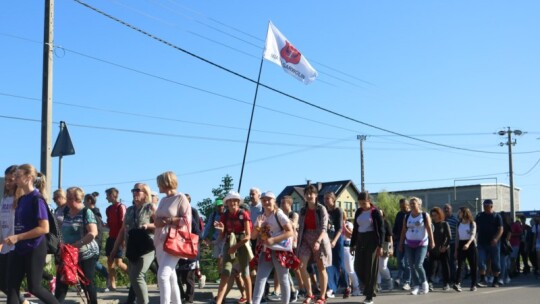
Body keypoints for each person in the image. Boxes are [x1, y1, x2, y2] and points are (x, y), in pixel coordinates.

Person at [3, 164, 59, 304]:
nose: (15, 178)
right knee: (12, 286)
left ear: (29, 177)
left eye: (18, 175)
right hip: (19, 248)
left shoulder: (37, 199)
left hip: (35, 247)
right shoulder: (22, 199)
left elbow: (44, 228)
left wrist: (17, 237)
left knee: (34, 287)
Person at [110, 183, 156, 304]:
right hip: (132, 247)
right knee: (133, 277)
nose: (134, 192)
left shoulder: (150, 207)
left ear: (145, 193)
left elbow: (161, 225)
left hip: (147, 246)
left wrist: (147, 226)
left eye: (137, 190)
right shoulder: (130, 210)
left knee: (137, 276)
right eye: (133, 190)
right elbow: (122, 230)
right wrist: (115, 249)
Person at [54, 187, 99, 304]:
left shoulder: (86, 212)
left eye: (69, 198)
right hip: (68, 254)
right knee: (62, 282)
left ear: (78, 199)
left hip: (86, 254)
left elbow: (93, 232)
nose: (67, 201)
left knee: (86, 282)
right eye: (67, 197)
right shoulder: (65, 212)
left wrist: (77, 244)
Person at [251, 191, 296, 304]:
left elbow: (290, 232)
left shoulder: (279, 214)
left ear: (274, 201)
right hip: (266, 251)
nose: (266, 202)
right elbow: (253, 236)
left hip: (280, 251)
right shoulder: (261, 217)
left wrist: (273, 240)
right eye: (264, 200)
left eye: (268, 199)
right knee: (260, 279)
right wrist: (258, 226)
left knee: (283, 279)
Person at [153, 171, 191, 304]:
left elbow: (187, 221)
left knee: (162, 276)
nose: (158, 185)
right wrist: (159, 221)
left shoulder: (181, 198)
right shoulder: (163, 200)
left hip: (174, 242)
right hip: (160, 241)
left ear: (166, 183)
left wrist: (168, 220)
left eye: (159, 183)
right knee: (170, 276)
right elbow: (157, 220)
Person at [213, 190, 253, 304]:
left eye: (235, 200)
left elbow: (248, 236)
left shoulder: (243, 214)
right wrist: (221, 230)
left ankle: (250, 300)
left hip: (242, 243)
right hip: (229, 242)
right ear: (227, 203)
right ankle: (219, 301)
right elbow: (223, 234)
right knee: (225, 273)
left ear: (238, 202)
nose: (232, 203)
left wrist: (235, 247)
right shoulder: (225, 215)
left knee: (245, 274)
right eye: (230, 201)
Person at [297, 185, 331, 304]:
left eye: (311, 193)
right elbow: (300, 227)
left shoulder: (321, 209)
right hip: (306, 239)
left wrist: (318, 241)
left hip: (319, 239)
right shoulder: (302, 210)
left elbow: (324, 228)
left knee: (321, 267)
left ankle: (322, 296)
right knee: (301, 266)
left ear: (316, 195)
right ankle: (310, 294)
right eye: (307, 194)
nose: (309, 196)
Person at [350, 191, 384, 304]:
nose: (362, 205)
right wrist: (352, 244)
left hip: (372, 240)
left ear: (369, 201)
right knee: (357, 266)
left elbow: (381, 230)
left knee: (370, 267)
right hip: (360, 239)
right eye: (360, 203)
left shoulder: (375, 212)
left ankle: (369, 295)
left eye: (364, 203)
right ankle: (370, 286)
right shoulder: (359, 211)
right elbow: (355, 228)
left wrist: (380, 245)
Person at [399, 197, 435, 296]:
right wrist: (401, 243)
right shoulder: (407, 216)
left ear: (419, 205)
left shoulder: (424, 215)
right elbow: (403, 230)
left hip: (422, 243)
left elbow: (429, 228)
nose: (411, 205)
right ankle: (416, 286)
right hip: (409, 243)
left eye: (413, 203)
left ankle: (424, 283)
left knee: (418, 264)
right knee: (411, 265)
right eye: (410, 204)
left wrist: (432, 241)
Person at [475, 199, 503, 287]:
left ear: (491, 206)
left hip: (493, 243)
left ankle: (496, 280)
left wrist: (496, 238)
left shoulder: (497, 216)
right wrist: (473, 238)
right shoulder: (479, 216)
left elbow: (501, 229)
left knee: (495, 262)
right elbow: (475, 227)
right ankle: (483, 279)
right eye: (484, 205)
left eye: (487, 205)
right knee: (481, 260)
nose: (485, 207)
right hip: (482, 242)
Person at [280, 195, 303, 302]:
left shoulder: (294, 214)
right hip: (283, 244)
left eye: (283, 203)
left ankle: (302, 288)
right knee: (284, 267)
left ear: (289, 204)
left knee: (295, 267)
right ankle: (292, 290)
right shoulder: (280, 215)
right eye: (280, 203)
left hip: (292, 243)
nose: (281, 205)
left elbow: (293, 224)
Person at [105, 187, 128, 290]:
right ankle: (112, 284)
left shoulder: (121, 207)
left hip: (119, 238)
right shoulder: (108, 209)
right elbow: (110, 224)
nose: (106, 198)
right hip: (111, 237)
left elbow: (124, 224)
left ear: (112, 195)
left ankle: (135, 277)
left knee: (118, 262)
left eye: (107, 195)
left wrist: (123, 240)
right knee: (109, 261)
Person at [323, 192, 344, 299]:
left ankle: (344, 285)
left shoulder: (338, 211)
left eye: (328, 198)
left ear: (333, 199)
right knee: (328, 264)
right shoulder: (324, 211)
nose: (326, 200)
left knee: (339, 263)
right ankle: (331, 288)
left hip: (337, 239)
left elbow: (340, 228)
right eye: (324, 198)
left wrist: (334, 240)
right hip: (327, 239)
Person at [453, 207, 477, 292]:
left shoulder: (472, 223)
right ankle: (457, 283)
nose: (458, 214)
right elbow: (457, 237)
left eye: (460, 212)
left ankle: (473, 284)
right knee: (461, 265)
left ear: (464, 213)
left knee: (473, 264)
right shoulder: (459, 224)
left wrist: (468, 244)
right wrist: (456, 250)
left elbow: (473, 235)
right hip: (461, 244)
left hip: (470, 244)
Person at [427, 207, 451, 291]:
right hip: (433, 249)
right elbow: (428, 237)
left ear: (439, 214)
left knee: (445, 266)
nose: (434, 217)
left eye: (435, 215)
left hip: (443, 249)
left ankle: (446, 283)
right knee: (432, 267)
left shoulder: (444, 224)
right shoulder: (430, 225)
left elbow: (448, 237)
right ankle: (430, 283)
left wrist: (444, 246)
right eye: (432, 215)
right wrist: (427, 249)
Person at [201, 199, 226, 273]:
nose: (220, 207)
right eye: (218, 206)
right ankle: (220, 274)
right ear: (216, 207)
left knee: (222, 256)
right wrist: (203, 237)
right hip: (216, 238)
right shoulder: (213, 214)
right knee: (218, 257)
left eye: (221, 206)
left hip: (225, 238)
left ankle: (225, 274)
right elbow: (208, 226)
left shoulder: (227, 213)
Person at [393, 198, 411, 290]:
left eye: (403, 206)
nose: (402, 208)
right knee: (400, 262)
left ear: (408, 205)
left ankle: (406, 281)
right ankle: (401, 277)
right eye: (400, 206)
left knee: (407, 263)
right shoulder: (399, 214)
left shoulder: (411, 215)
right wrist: (394, 236)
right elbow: (395, 227)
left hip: (409, 241)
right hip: (399, 240)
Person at [342, 213, 361, 297]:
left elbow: (351, 235)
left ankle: (357, 287)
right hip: (339, 247)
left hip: (347, 246)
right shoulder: (335, 224)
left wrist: (344, 226)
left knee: (350, 269)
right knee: (344, 270)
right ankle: (347, 287)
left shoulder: (348, 224)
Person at [377, 208, 394, 292]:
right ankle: (378, 285)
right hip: (374, 245)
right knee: (376, 267)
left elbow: (390, 236)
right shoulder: (373, 223)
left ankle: (389, 281)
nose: (379, 215)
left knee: (382, 267)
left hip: (385, 245)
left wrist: (391, 248)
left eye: (380, 213)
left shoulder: (386, 222)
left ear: (383, 214)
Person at [443, 204, 459, 281]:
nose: (446, 210)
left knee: (452, 261)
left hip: (452, 243)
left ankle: (453, 277)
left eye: (448, 208)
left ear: (451, 210)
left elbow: (458, 232)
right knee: (444, 261)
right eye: (445, 208)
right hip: (442, 244)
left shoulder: (455, 220)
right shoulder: (441, 219)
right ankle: (445, 277)